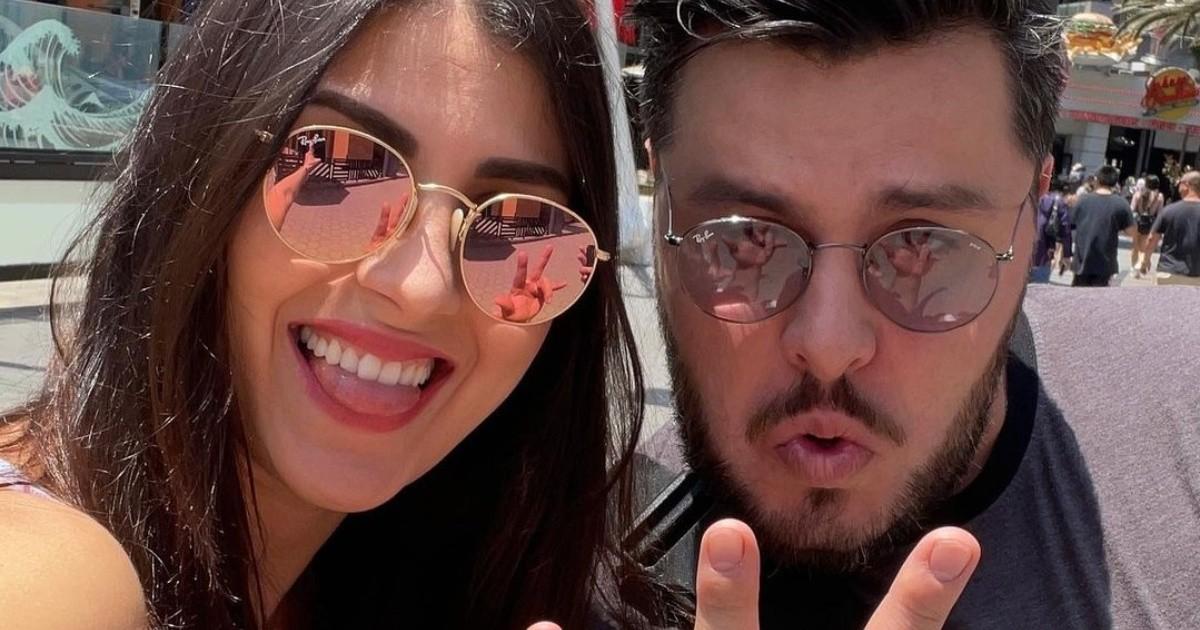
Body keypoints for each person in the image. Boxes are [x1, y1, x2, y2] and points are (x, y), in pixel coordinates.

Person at [0, 1, 653, 627]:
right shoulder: (53, 571)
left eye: (519, 226)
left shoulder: (431, 573)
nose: (422, 287)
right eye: (335, 172)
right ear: (205, 167)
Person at [628, 1, 1200, 629]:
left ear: (1034, 212)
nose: (828, 346)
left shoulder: (1185, 416)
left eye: (924, 245)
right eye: (743, 240)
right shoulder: (583, 571)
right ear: (658, 200)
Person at [1069, 164, 1135, 287]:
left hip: (1082, 261)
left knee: (1078, 297)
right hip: (1105, 264)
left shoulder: (1082, 200)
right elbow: (1131, 232)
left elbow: (1070, 225)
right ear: (1115, 182)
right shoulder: (1121, 204)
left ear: (1097, 180)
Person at [1143, 170, 1200, 286]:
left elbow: (1152, 238)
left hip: (1168, 271)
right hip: (1196, 275)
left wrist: (1146, 260)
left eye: (1180, 183)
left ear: (1186, 185)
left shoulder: (1169, 210)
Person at [1030, 176, 1070, 283]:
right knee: (1038, 285)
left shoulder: (1033, 197)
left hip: (1025, 246)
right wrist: (1066, 254)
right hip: (1044, 248)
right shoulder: (1060, 202)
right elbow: (1065, 229)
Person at [1130, 174, 1164, 276]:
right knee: (1143, 248)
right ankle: (1142, 264)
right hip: (1149, 224)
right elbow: (1160, 213)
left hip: (1137, 223)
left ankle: (1134, 267)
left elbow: (1131, 209)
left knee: (1135, 247)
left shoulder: (1138, 194)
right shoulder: (1159, 197)